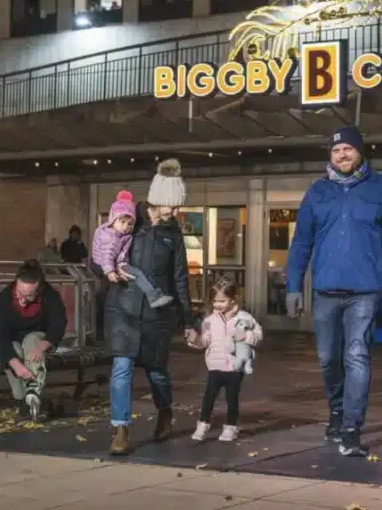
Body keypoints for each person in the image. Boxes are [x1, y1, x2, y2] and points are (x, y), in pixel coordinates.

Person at [285, 126, 382, 458]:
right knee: (328, 358)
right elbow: (301, 242)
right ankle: (337, 409)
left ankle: (351, 427)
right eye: (336, 150)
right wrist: (292, 286)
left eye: (348, 149)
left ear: (361, 152)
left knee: (357, 356)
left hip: (365, 290)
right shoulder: (317, 192)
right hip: (325, 290)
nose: (342, 155)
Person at [106, 158, 198, 456]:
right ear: (157, 200)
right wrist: (107, 272)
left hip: (157, 312)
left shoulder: (173, 234)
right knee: (122, 367)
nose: (175, 211)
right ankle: (120, 428)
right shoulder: (131, 219)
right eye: (171, 205)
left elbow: (179, 279)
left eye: (177, 206)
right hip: (124, 308)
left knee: (157, 371)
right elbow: (103, 249)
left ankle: (165, 411)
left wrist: (188, 321)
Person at [0, 259, 67, 423]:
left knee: (31, 341)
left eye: (29, 295)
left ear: (39, 290)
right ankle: (23, 400)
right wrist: (16, 365)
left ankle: (34, 390)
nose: (23, 300)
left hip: (39, 338)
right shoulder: (4, 299)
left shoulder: (50, 296)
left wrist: (43, 346)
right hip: (13, 342)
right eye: (19, 294)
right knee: (14, 352)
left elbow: (57, 325)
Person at [188, 278, 263, 442]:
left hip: (235, 367)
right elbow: (204, 341)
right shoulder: (209, 320)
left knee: (232, 398)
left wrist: (246, 336)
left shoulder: (244, 317)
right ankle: (203, 423)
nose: (218, 304)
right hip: (215, 365)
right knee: (209, 397)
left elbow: (258, 334)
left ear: (233, 299)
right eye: (215, 301)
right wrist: (195, 340)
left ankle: (230, 427)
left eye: (222, 301)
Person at [92, 190, 174, 309]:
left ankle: (153, 297)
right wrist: (110, 271)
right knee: (137, 274)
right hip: (105, 266)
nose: (126, 226)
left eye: (130, 224)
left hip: (117, 264)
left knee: (136, 275)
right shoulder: (110, 236)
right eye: (122, 222)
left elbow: (122, 253)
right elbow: (106, 255)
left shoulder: (124, 236)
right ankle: (153, 297)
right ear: (112, 220)